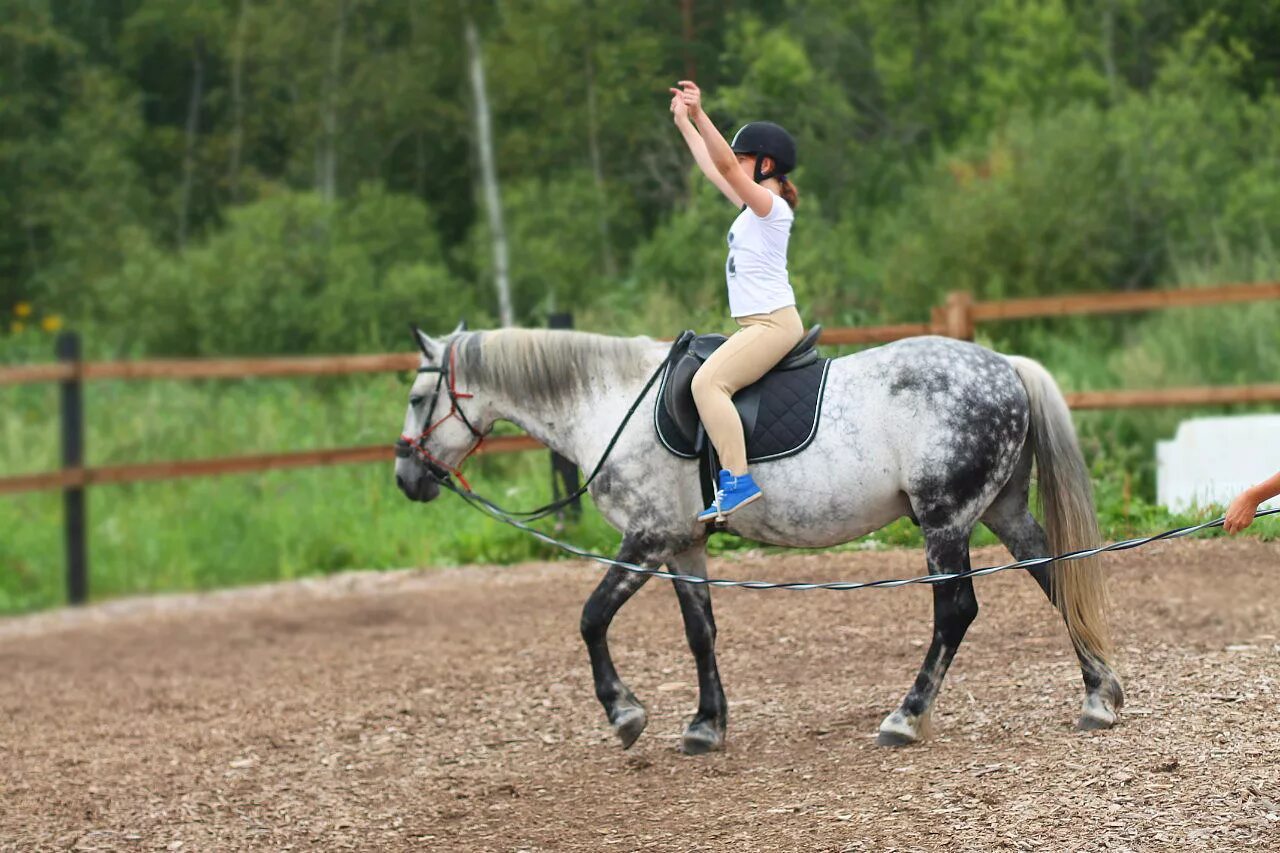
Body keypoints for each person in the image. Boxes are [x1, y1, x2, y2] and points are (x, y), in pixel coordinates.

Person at [669, 80, 805, 523]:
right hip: (758, 324)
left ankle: (738, 479)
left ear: (766, 164)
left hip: (772, 324)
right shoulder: (754, 206)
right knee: (707, 381)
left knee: (708, 385)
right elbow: (716, 169)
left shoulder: (772, 208)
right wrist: (685, 124)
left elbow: (726, 167)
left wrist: (703, 114)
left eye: (745, 157)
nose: (736, 163)